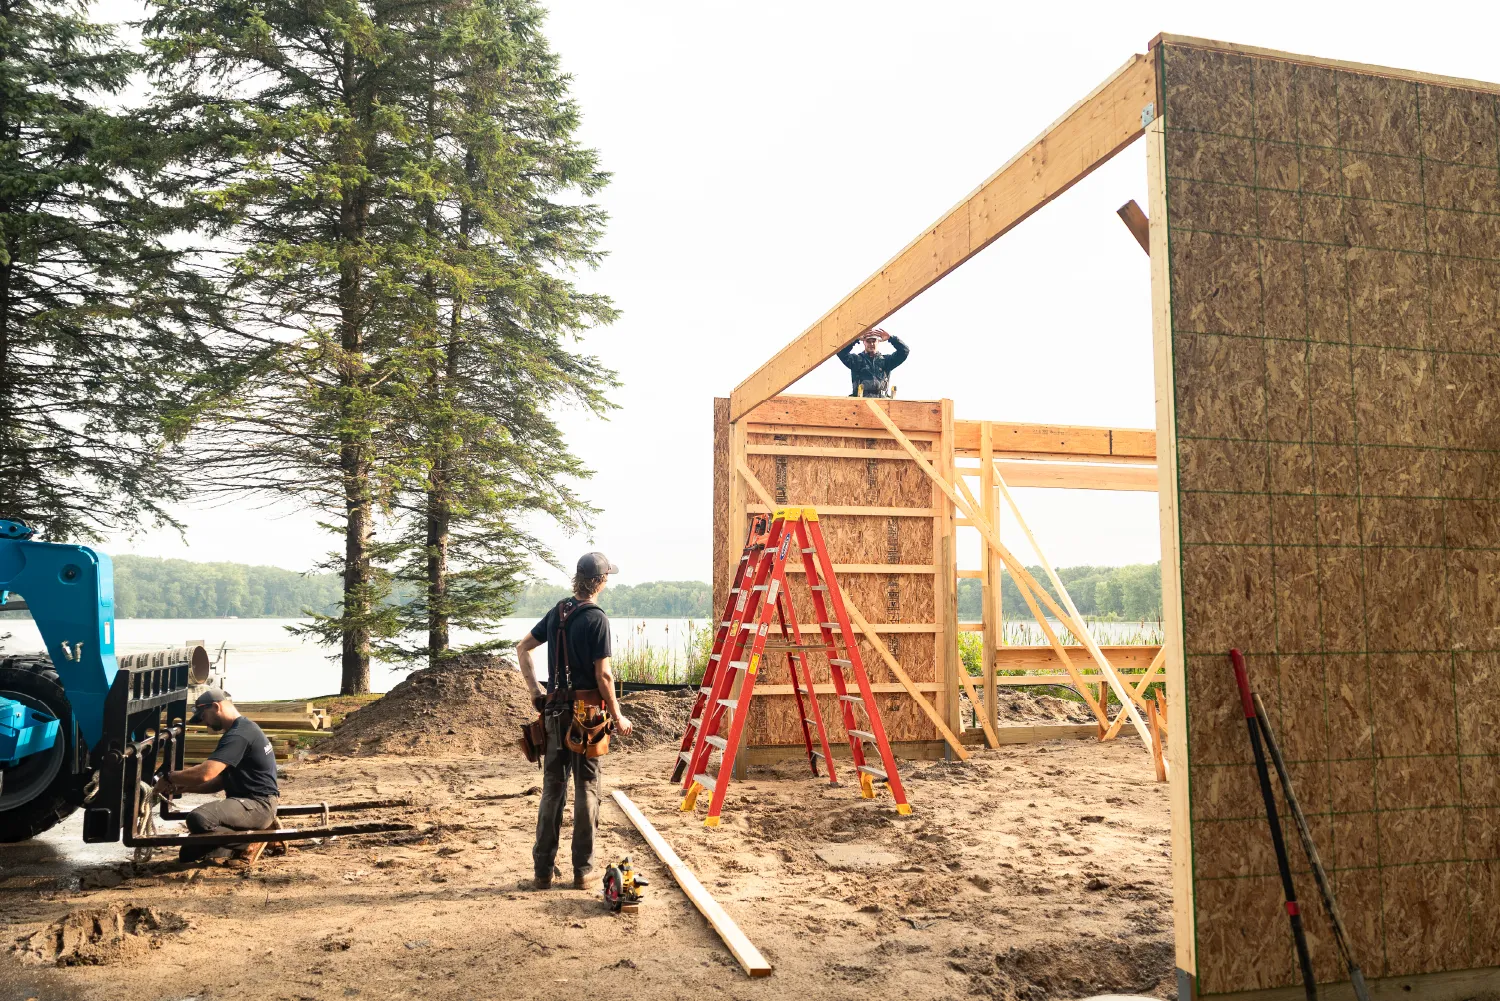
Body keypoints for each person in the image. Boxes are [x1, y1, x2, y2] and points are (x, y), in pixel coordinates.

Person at [516, 552, 634, 891]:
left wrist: (534, 690)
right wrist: (618, 715)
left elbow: (523, 648)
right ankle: (582, 871)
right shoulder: (597, 619)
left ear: (577, 579)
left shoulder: (558, 612)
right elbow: (604, 676)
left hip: (553, 715)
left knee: (553, 790)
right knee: (586, 788)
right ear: (602, 581)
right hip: (588, 718)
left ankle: (542, 872)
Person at [152, 688, 280, 862]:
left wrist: (169, 777)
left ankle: (255, 840)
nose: (206, 724)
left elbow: (205, 773)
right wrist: (184, 788)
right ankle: (243, 842)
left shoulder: (239, 735)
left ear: (215, 706)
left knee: (199, 818)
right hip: (249, 804)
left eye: (203, 717)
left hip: (258, 805)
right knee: (189, 854)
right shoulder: (241, 729)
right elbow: (218, 782)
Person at [837, 326, 908, 398]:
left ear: (878, 342)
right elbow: (841, 352)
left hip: (882, 402)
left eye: (874, 341)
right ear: (864, 342)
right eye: (868, 341)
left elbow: (904, 351)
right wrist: (855, 339)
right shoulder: (857, 361)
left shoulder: (886, 361)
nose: (871, 344)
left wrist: (891, 338)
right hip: (861, 402)